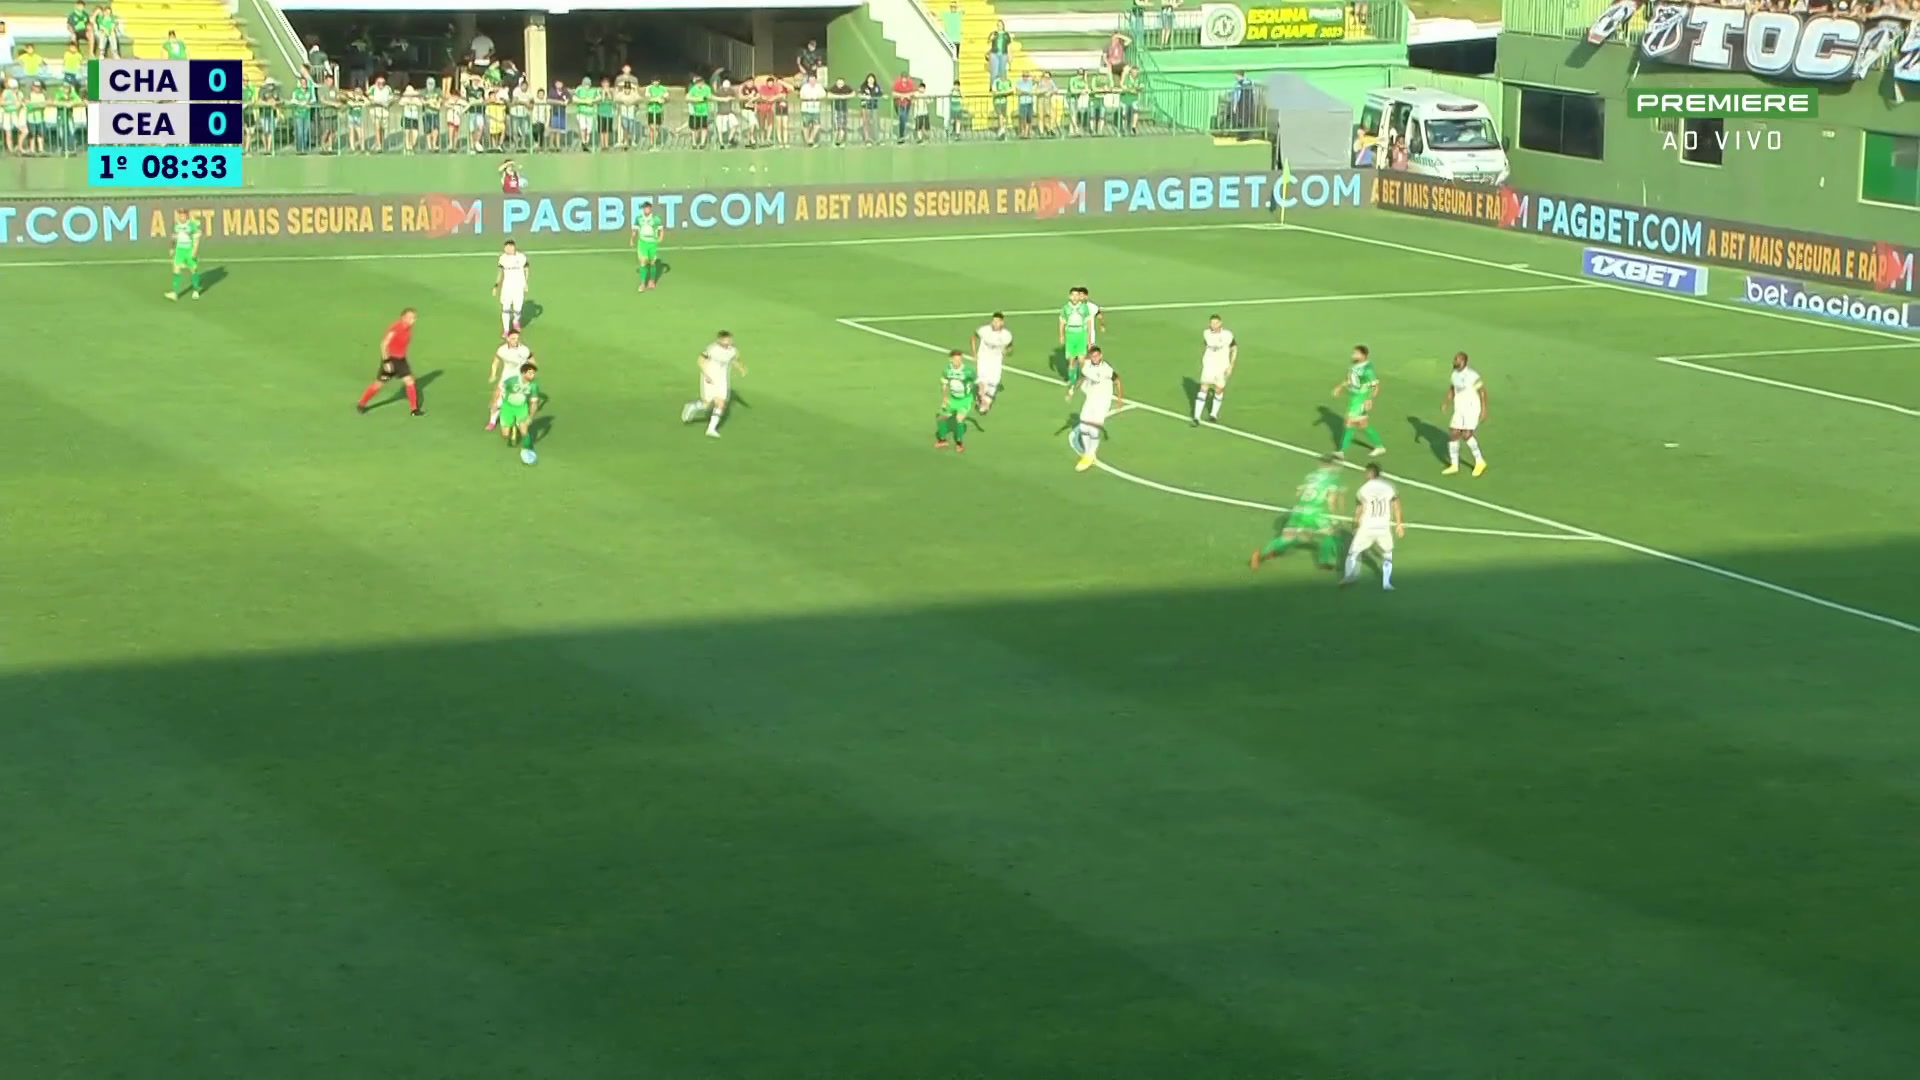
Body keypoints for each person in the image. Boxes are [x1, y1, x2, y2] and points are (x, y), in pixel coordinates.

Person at [1251, 456, 1343, 571]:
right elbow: (1331, 500)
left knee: (1288, 537)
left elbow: (1298, 493)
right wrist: (1334, 517)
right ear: (1332, 466)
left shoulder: (1311, 476)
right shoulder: (1331, 480)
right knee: (1330, 533)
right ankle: (1327, 561)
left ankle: (1262, 554)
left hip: (1299, 510)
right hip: (1314, 513)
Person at [1342, 463, 1402, 588]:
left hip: (1367, 527)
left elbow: (1360, 508)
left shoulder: (1363, 489)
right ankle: (1386, 583)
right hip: (1383, 527)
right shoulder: (1389, 487)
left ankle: (1349, 576)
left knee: (1353, 552)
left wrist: (1355, 523)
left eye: (1366, 472)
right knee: (1387, 554)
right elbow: (1396, 506)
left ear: (1370, 473)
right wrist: (1399, 524)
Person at [356, 308, 423, 416]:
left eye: (414, 318)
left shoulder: (408, 328)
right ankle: (361, 403)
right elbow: (384, 344)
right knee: (379, 384)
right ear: (403, 317)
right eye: (410, 317)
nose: (413, 320)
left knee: (410, 381)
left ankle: (414, 410)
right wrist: (386, 362)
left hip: (401, 361)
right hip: (391, 360)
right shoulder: (395, 328)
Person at [1071, 346, 1122, 472]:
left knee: (1093, 429)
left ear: (1101, 355)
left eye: (1097, 355)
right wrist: (1073, 388)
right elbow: (1083, 376)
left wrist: (1119, 400)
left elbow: (1117, 380)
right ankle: (1089, 454)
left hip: (1102, 402)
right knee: (1083, 426)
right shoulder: (1088, 366)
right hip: (1091, 400)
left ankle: (1089, 455)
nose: (1095, 358)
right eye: (1093, 356)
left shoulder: (1106, 369)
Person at [682, 331, 742, 438]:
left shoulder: (732, 350)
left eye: (729, 339)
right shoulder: (712, 349)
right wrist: (706, 374)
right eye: (726, 340)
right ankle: (691, 407)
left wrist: (740, 368)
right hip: (710, 379)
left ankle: (711, 429)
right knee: (706, 404)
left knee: (721, 403)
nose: (728, 341)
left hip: (722, 381)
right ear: (720, 340)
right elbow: (700, 360)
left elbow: (733, 360)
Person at [1441, 351, 1488, 476]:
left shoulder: (1472, 375)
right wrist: (1446, 402)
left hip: (1471, 409)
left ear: (1463, 361)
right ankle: (1454, 465)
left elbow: (1482, 392)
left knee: (1467, 434)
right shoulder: (1454, 375)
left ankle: (1480, 462)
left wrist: (1484, 410)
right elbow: (1452, 389)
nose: (1454, 361)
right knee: (1454, 434)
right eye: (1454, 359)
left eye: (1457, 359)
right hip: (1459, 409)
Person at [1333, 344, 1386, 457]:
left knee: (1349, 422)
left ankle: (1341, 452)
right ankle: (1380, 446)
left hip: (1361, 399)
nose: (1353, 355)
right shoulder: (1355, 365)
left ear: (1363, 355)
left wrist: (1369, 400)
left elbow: (1375, 387)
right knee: (1362, 425)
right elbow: (1350, 379)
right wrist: (1340, 387)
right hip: (1354, 398)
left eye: (1356, 353)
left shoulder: (1367, 370)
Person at [1192, 314, 1235, 425]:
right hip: (1209, 366)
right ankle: (1196, 417)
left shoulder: (1227, 335)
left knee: (1218, 389)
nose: (1213, 325)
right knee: (1203, 388)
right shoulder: (1206, 333)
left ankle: (1213, 414)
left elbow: (1234, 348)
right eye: (1211, 323)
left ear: (1220, 323)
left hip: (1222, 366)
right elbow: (1206, 346)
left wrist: (1231, 366)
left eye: (1215, 323)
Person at [487, 329, 533, 431]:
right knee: (496, 401)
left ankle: (517, 422)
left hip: (519, 381)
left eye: (517, 338)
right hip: (506, 378)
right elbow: (496, 361)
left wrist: (530, 374)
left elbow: (532, 361)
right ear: (507, 338)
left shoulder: (524, 350)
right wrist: (493, 374)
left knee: (517, 402)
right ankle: (492, 421)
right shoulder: (502, 350)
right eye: (513, 338)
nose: (515, 341)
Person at [934, 350, 976, 453]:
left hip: (965, 400)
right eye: (956, 360)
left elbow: (977, 382)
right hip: (953, 399)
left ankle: (959, 444)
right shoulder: (947, 370)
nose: (958, 362)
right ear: (951, 360)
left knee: (959, 419)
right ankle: (942, 440)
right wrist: (945, 398)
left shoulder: (968, 371)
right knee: (941, 417)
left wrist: (979, 397)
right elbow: (944, 384)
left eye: (960, 359)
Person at [970, 313, 1012, 414]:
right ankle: (983, 402)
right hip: (983, 359)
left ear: (1002, 323)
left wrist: (1007, 351)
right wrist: (974, 353)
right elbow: (973, 337)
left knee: (993, 383)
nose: (995, 323)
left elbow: (1010, 348)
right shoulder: (984, 330)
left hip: (996, 362)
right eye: (994, 321)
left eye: (997, 321)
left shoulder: (1006, 335)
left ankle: (985, 401)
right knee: (982, 381)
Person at [496, 361, 540, 452]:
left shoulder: (533, 386)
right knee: (505, 435)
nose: (533, 375)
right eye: (530, 373)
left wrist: (530, 417)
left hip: (521, 408)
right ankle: (513, 426)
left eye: (534, 373)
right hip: (508, 407)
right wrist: (496, 402)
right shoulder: (511, 381)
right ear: (523, 373)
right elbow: (500, 389)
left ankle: (527, 449)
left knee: (524, 431)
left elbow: (534, 403)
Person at [493, 238, 529, 338]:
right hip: (507, 287)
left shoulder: (521, 257)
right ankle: (506, 330)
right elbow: (500, 273)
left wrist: (525, 283)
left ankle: (515, 321)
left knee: (517, 309)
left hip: (518, 287)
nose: (506, 249)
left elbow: (526, 270)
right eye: (505, 248)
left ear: (513, 247)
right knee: (505, 308)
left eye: (508, 248)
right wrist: (496, 285)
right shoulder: (502, 258)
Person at [1058, 286, 1094, 384]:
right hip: (1070, 335)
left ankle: (1082, 378)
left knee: (1082, 360)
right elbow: (1062, 322)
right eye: (1072, 295)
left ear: (1079, 297)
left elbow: (1089, 322)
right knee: (1071, 360)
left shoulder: (1084, 308)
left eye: (1076, 295)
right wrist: (1061, 335)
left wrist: (1089, 339)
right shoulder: (1066, 308)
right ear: (1069, 296)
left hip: (1081, 335)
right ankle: (1072, 380)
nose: (1074, 297)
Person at [164, 207, 202, 300]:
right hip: (179, 250)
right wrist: (172, 247)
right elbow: (174, 236)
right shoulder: (176, 225)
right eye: (180, 215)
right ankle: (175, 293)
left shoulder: (191, 226)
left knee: (193, 269)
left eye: (183, 215)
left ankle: (196, 290)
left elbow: (196, 238)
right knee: (176, 269)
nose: (181, 217)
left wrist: (194, 251)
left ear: (187, 216)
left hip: (189, 250)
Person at [631, 200, 663, 292]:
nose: (646, 209)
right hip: (642, 243)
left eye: (648, 208)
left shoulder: (656, 219)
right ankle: (642, 284)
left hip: (652, 243)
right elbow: (635, 230)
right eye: (645, 208)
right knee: (643, 262)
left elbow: (661, 229)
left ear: (650, 209)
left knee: (652, 263)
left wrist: (660, 237)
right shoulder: (639, 219)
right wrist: (632, 239)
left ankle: (652, 281)